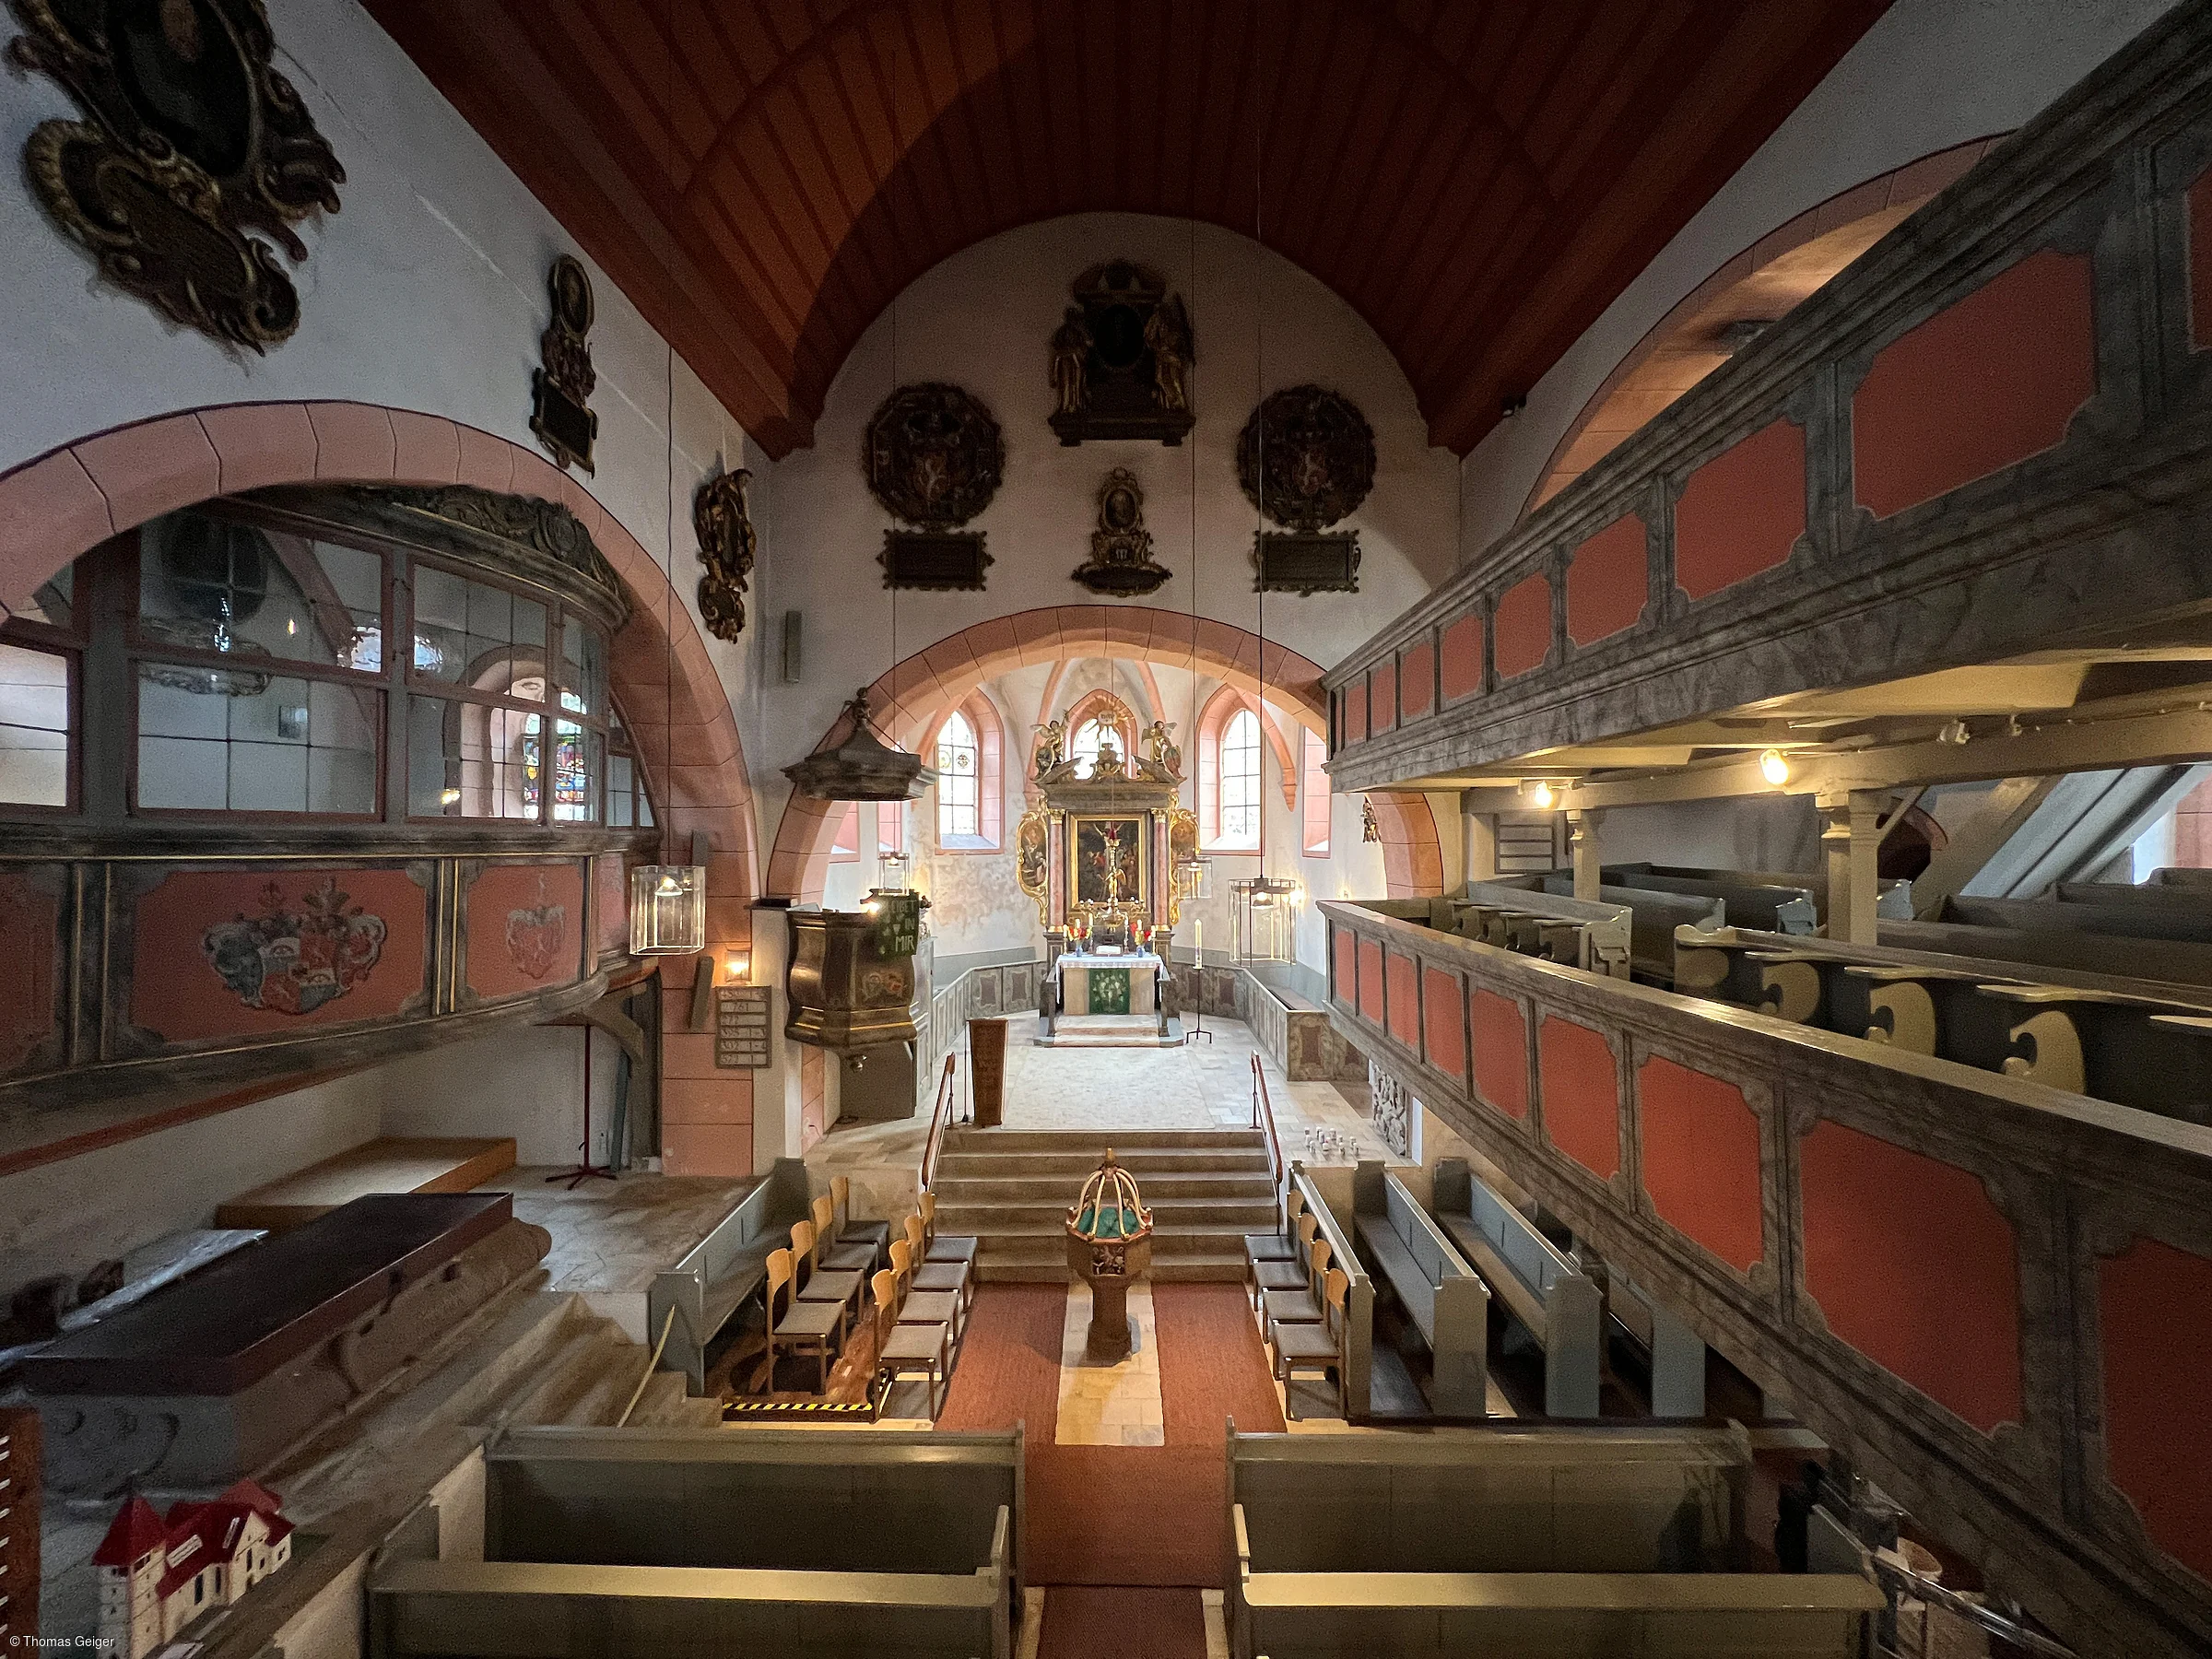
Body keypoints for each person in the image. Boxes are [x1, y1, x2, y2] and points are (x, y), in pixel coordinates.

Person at [1051, 307, 1090, 417]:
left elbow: (1085, 345)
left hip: (1076, 361)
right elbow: (1057, 345)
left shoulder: (1078, 332)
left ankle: (1076, 404)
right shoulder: (1064, 332)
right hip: (1067, 361)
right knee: (1066, 384)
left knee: (1077, 385)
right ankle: (1066, 405)